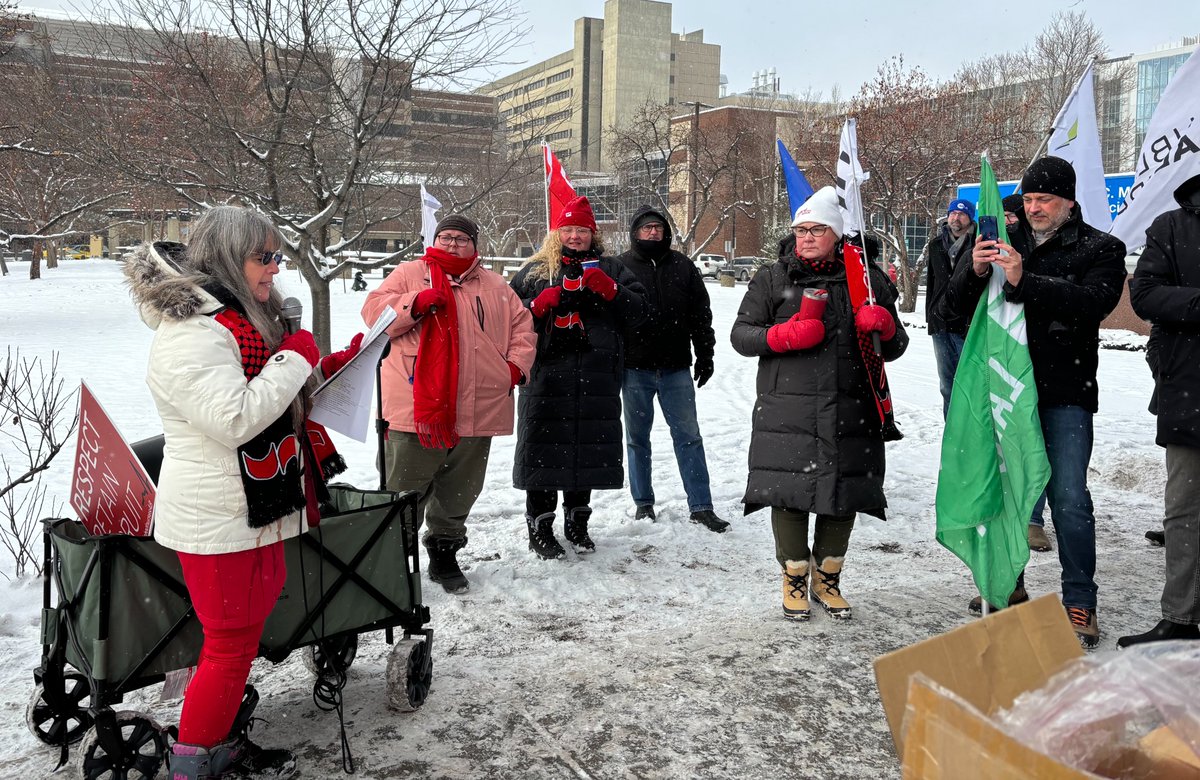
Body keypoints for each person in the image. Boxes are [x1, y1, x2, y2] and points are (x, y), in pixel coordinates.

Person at [125, 206, 361, 779]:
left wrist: (329, 365)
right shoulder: (192, 333)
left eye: (278, 256)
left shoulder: (241, 321)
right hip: (219, 516)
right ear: (228, 256)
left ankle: (220, 742)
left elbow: (273, 392)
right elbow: (236, 418)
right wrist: (295, 356)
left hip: (254, 506)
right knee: (228, 648)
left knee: (237, 644)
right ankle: (195, 765)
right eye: (265, 257)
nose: (275, 270)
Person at [946, 156, 1126, 648]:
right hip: (1004, 390)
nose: (1033, 208)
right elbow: (951, 310)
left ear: (1068, 200)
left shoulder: (1101, 247)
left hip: (1064, 394)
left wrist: (1027, 280)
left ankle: (1079, 600)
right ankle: (1009, 584)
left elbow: (1093, 305)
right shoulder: (1004, 239)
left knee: (1068, 499)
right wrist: (975, 272)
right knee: (1008, 494)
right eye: (1026, 200)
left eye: (1043, 199)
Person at [731, 187, 908, 622]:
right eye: (801, 229)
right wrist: (781, 335)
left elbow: (897, 346)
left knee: (843, 493)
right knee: (789, 494)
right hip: (787, 411)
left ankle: (827, 577)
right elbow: (741, 335)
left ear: (838, 233)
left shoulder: (866, 279)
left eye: (817, 229)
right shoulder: (774, 278)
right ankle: (793, 577)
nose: (807, 237)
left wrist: (883, 325)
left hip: (853, 406)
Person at [362, 214, 536, 594]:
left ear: (476, 246)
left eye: (461, 238)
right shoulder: (409, 274)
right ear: (434, 241)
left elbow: (523, 330)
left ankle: (444, 554)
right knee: (403, 492)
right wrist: (414, 303)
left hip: (479, 407)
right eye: (446, 237)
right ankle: (394, 564)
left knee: (460, 490)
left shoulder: (495, 285)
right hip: (414, 410)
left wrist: (512, 370)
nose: (453, 243)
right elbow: (374, 314)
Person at [510, 196, 648, 558]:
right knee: (544, 452)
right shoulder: (536, 270)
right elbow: (506, 317)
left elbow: (641, 313)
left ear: (593, 233)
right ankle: (539, 525)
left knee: (585, 451)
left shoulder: (612, 267)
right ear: (557, 232)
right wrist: (538, 306)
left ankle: (578, 523)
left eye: (582, 230)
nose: (575, 236)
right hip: (546, 377)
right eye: (568, 229)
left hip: (596, 376)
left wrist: (611, 290)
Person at [1120, 172, 1200, 647]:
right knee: (1185, 509)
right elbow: (1144, 294)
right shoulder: (1172, 225)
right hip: (1190, 386)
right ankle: (1181, 617)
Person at [616, 205, 727, 532]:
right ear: (635, 233)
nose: (653, 232)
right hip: (635, 369)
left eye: (658, 228)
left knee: (689, 436)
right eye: (646, 228)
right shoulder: (620, 267)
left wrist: (705, 353)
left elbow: (700, 315)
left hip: (676, 368)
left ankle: (701, 506)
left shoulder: (682, 266)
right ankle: (643, 503)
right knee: (637, 439)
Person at [926, 198, 975, 418]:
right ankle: (951, 428)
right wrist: (930, 314)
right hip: (940, 323)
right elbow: (932, 282)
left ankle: (969, 427)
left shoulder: (977, 244)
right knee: (946, 383)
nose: (956, 217)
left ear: (970, 218)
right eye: (952, 213)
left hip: (966, 322)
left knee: (969, 381)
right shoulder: (936, 244)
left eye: (961, 214)